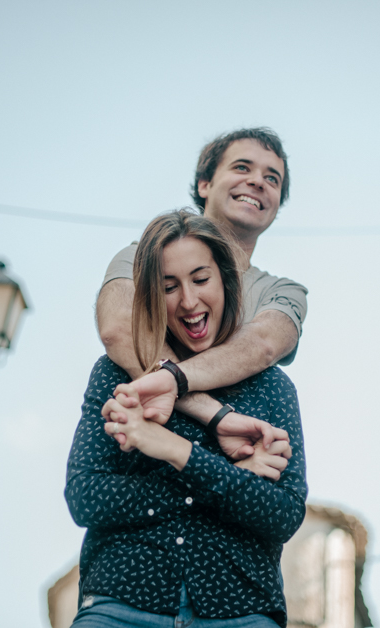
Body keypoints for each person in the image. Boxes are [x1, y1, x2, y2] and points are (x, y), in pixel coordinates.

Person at [66, 210, 307, 628]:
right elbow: (86, 498)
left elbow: (282, 515)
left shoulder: (272, 387)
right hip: (120, 604)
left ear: (226, 281)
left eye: (200, 279)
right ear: (149, 297)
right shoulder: (114, 373)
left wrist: (177, 452)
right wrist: (222, 476)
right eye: (168, 287)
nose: (189, 301)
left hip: (240, 610)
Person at [96, 128, 307, 468]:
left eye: (273, 178)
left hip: (243, 462)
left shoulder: (284, 292)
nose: (258, 181)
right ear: (204, 184)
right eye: (242, 167)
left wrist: (171, 381)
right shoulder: (140, 259)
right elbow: (119, 328)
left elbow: (264, 344)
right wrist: (215, 414)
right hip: (139, 455)